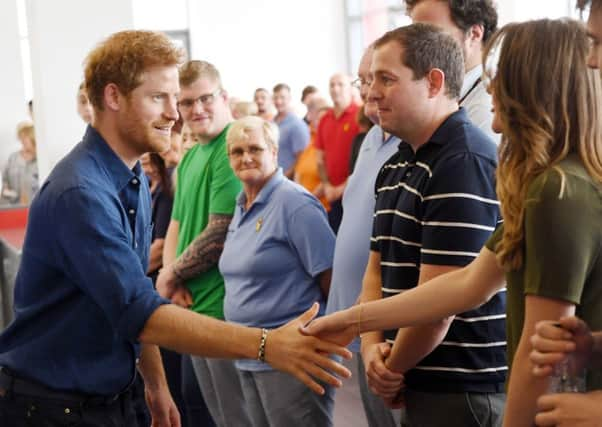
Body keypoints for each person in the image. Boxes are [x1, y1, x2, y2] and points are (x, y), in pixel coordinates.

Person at [0, 30, 351, 427]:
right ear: (113, 97)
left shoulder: (131, 178)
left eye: (177, 99)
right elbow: (142, 311)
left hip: (106, 393)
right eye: (159, 98)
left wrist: (154, 383)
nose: (174, 113)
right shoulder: (80, 192)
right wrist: (267, 344)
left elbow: (135, 293)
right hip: (53, 405)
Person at [306, 18, 602, 427]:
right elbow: (466, 284)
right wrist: (351, 321)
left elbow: (539, 353)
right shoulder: (545, 184)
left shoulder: (559, 189)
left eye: (500, 76)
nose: (488, 88)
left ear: (535, 85)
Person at [358, 23, 505, 427]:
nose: (372, 93)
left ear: (434, 82)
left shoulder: (463, 160)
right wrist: (372, 347)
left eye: (386, 79)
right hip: (412, 371)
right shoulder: (396, 162)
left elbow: (442, 301)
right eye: (371, 80)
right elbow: (376, 269)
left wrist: (391, 368)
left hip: (461, 385)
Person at [220, 116, 336, 426]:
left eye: (255, 149)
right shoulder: (242, 204)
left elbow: (331, 282)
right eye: (237, 151)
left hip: (293, 357)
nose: (246, 158)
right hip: (251, 355)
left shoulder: (295, 204)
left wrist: (322, 345)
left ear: (274, 151)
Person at [155, 59, 247, 426]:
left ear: (223, 96)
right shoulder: (191, 156)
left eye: (205, 99)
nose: (197, 109)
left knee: (233, 416)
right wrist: (171, 276)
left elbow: (219, 232)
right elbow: (177, 223)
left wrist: (168, 276)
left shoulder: (233, 146)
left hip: (223, 309)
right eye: (187, 102)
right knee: (200, 409)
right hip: (190, 304)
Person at [325, 44, 402, 427]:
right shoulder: (371, 137)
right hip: (350, 326)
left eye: (378, 78)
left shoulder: (411, 141)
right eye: (364, 79)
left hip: (383, 333)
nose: (368, 90)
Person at [405, 0, 499, 143]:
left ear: (474, 34)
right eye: (415, 36)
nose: (417, 47)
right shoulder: (438, 93)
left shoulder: (487, 107)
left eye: (431, 35)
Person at [314, 73, 360, 233]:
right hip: (332, 197)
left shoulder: (360, 116)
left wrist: (342, 188)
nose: (335, 88)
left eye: (340, 84)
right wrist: (327, 186)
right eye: (332, 85)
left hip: (355, 194)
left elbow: (366, 161)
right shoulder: (325, 119)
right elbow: (320, 159)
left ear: (350, 88)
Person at [294, 96, 331, 210]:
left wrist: (308, 199)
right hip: (305, 203)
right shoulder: (312, 138)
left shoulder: (330, 142)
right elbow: (299, 169)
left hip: (322, 206)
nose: (309, 118)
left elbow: (329, 178)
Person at [273, 83, 310, 178]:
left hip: (286, 181)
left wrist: (283, 178)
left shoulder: (297, 125)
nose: (278, 101)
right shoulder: (271, 123)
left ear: (289, 99)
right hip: (271, 179)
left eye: (282, 97)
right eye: (276, 98)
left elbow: (302, 157)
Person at [1, 122, 38, 205]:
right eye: (21, 137)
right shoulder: (13, 158)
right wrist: (8, 192)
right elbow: (4, 182)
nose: (22, 140)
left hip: (35, 206)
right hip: (14, 207)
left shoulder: (41, 160)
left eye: (26, 137)